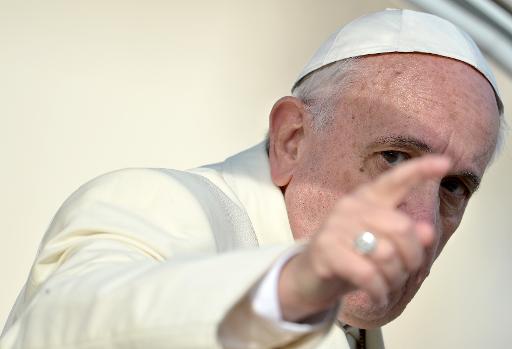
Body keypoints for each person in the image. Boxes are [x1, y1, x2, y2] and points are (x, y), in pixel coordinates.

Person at [0, 8, 504, 349]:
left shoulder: (354, 328)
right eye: (393, 157)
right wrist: (286, 290)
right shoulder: (159, 202)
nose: (424, 228)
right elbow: (61, 326)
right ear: (292, 139)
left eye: (453, 187)